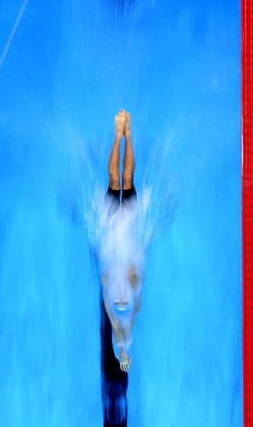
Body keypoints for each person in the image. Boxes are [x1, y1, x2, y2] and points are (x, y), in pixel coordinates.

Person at [100, 109, 144, 373]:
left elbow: (118, 331)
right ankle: (128, 135)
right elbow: (123, 335)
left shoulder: (110, 306)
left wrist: (123, 355)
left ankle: (118, 137)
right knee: (127, 180)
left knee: (114, 180)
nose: (121, 300)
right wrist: (124, 355)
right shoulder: (135, 299)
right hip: (128, 223)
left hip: (109, 225)